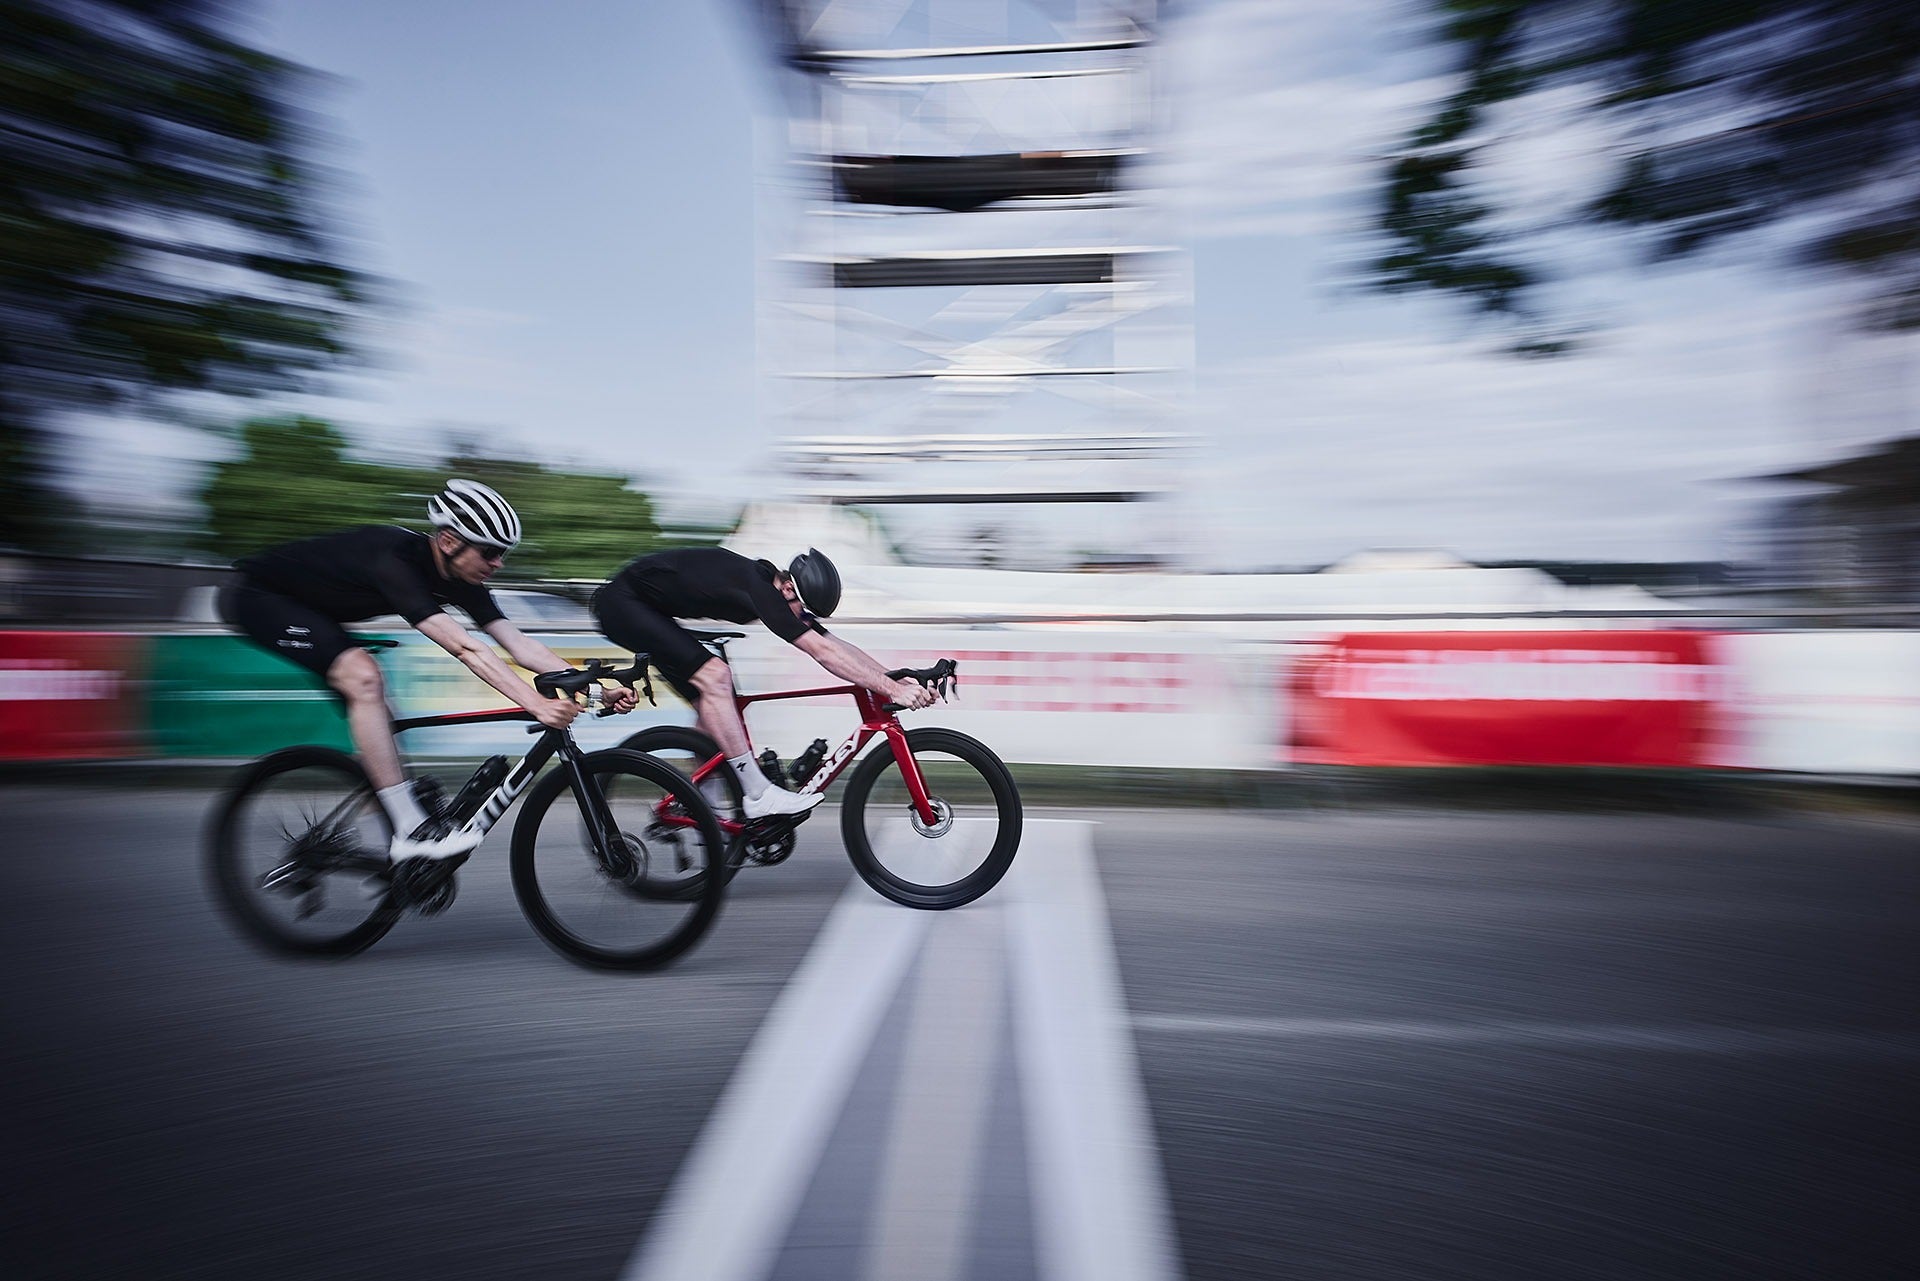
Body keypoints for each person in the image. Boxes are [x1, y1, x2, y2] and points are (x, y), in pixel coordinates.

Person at [219, 479, 636, 864]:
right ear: (450, 540)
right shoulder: (395, 560)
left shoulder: (462, 577)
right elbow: (466, 647)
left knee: (378, 708)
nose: (498, 563)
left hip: (317, 613)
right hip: (258, 597)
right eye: (489, 552)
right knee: (363, 677)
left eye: (503, 554)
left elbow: (519, 645)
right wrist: (535, 704)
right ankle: (408, 831)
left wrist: (598, 688)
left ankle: (385, 807)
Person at [592, 545, 933, 819]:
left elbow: (833, 643)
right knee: (715, 677)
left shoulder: (777, 593)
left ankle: (701, 806)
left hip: (650, 610)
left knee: (708, 698)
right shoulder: (760, 586)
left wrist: (892, 677)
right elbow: (823, 653)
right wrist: (894, 692)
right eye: (803, 607)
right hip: (624, 603)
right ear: (788, 587)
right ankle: (756, 792)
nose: (802, 617)